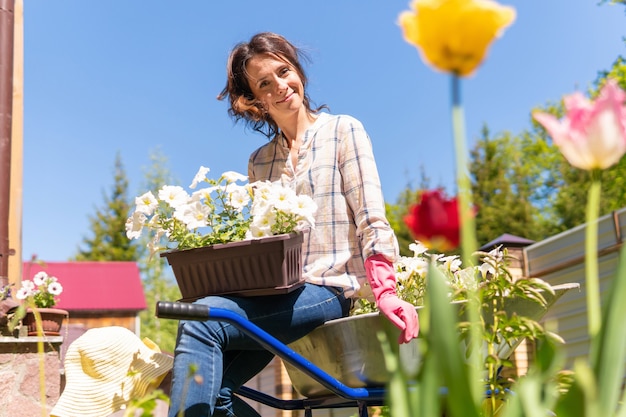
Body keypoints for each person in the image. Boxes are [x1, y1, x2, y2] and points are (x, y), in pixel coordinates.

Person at [167, 32, 419, 417]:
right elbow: (261, 242)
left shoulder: (343, 131)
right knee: (212, 391)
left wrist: (385, 290)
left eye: (284, 72)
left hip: (328, 289)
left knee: (203, 321)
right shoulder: (260, 162)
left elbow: (371, 217)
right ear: (254, 101)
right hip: (275, 293)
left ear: (298, 70)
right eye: (264, 84)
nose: (281, 86)